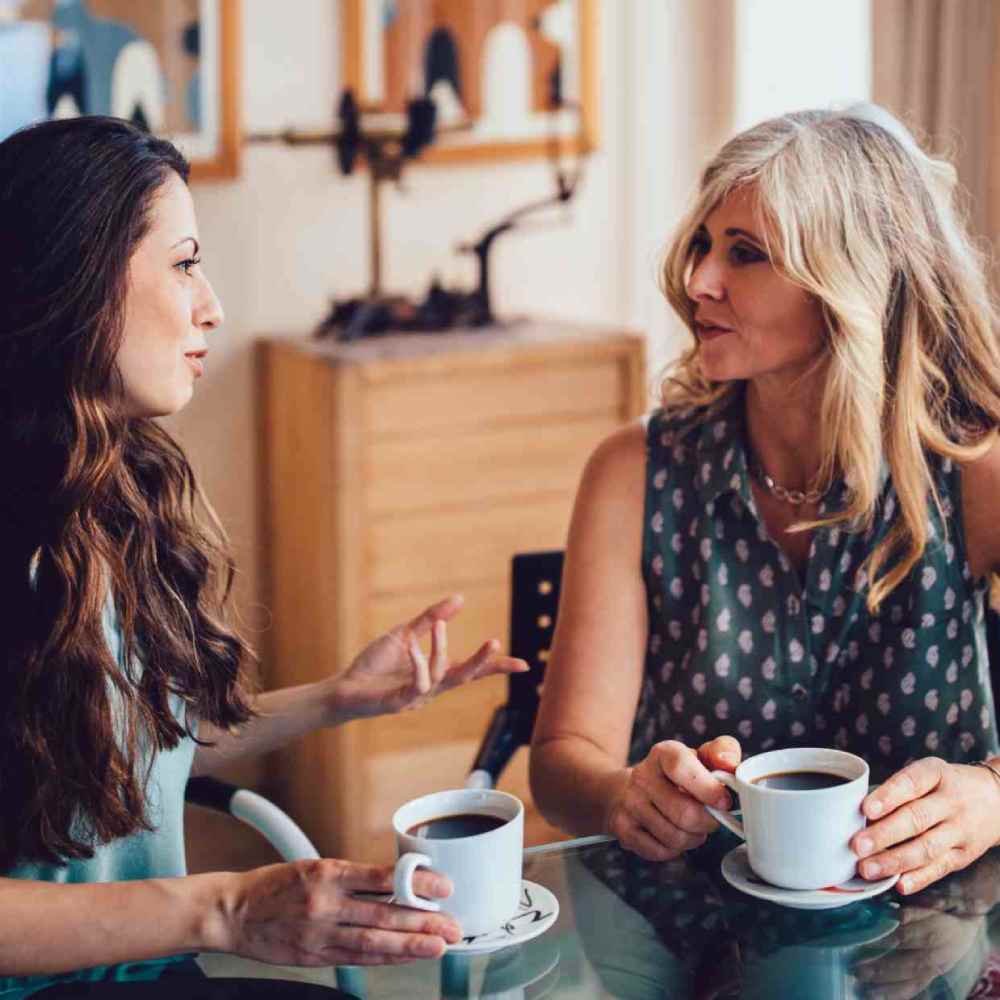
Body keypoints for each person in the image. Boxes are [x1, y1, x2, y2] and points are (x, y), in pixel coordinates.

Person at [0, 116, 528, 980]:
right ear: (75, 279)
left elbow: (114, 751)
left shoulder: (113, 499)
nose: (212, 305)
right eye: (182, 263)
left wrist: (335, 699)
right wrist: (227, 908)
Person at [530, 104, 1000, 898]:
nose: (697, 281)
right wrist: (622, 795)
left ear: (850, 281)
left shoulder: (972, 468)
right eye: (704, 246)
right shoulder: (634, 472)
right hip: (682, 922)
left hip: (936, 924)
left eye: (744, 254)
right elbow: (562, 758)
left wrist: (992, 791)